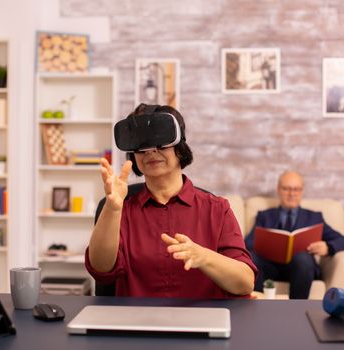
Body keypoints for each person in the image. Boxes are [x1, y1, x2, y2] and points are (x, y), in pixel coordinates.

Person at [86, 103, 256, 298]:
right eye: (142, 146)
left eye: (160, 142)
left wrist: (204, 256)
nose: (150, 151)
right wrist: (113, 209)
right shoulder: (122, 209)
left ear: (180, 149)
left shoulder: (217, 209)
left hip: (201, 322)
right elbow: (101, 269)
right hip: (135, 321)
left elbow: (245, 284)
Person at [244, 170, 344, 299]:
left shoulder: (314, 218)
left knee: (303, 259)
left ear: (302, 191)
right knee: (252, 258)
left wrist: (328, 247)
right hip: (270, 268)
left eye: (296, 189)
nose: (291, 194)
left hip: (301, 268)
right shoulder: (265, 216)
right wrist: (265, 244)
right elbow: (247, 243)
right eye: (286, 189)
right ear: (278, 189)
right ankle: (256, 306)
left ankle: (297, 310)